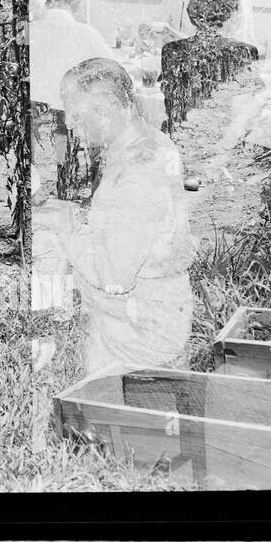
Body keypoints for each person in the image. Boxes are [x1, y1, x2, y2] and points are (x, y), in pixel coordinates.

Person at [42, 57, 195, 377]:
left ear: (109, 108)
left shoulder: (134, 174)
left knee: (46, 246)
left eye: (76, 112)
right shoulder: (151, 141)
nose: (68, 122)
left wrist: (66, 233)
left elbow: (113, 279)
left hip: (137, 337)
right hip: (161, 310)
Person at [30, 0, 113, 198]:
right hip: (71, 122)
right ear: (77, 0)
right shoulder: (84, 33)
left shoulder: (30, 32)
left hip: (34, 125)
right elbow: (112, 67)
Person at [160, 0, 259, 130]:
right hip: (221, 143)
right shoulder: (243, 51)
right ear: (232, 14)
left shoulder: (171, 50)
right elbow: (251, 106)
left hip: (179, 140)